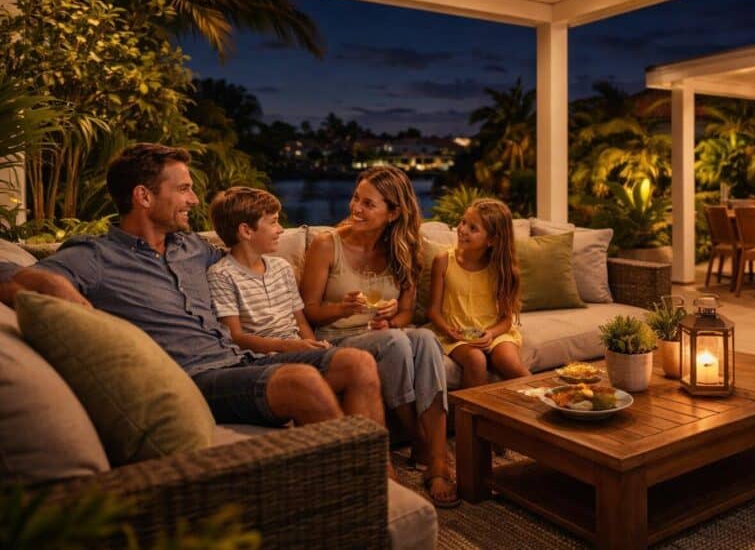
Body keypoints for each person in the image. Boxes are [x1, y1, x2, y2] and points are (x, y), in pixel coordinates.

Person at [13, 143, 384, 432]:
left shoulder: (193, 247)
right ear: (143, 196)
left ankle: (385, 491)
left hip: (239, 362)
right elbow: (12, 274)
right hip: (191, 378)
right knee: (301, 381)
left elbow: (246, 258)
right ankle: (361, 495)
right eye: (184, 189)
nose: (193, 200)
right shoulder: (95, 257)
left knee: (357, 361)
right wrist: (61, 292)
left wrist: (352, 234)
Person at [300, 165, 458, 507]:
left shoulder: (404, 249)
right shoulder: (327, 245)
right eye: (357, 198)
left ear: (393, 212)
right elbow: (309, 310)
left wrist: (392, 317)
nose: (356, 207)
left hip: (385, 337)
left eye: (369, 204)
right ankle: (426, 445)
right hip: (338, 342)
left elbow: (404, 313)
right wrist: (343, 309)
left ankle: (436, 458)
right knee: (397, 341)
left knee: (426, 340)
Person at [206, 187, 330, 355]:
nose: (281, 229)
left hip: (299, 350)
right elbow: (235, 337)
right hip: (267, 358)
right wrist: (287, 347)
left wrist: (317, 350)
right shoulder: (221, 275)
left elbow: (300, 323)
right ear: (246, 231)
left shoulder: (282, 267)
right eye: (273, 222)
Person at [426, 198, 530, 388]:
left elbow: (507, 319)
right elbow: (433, 311)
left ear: (492, 240)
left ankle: (544, 399)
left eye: (473, 228)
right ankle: (476, 416)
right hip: (455, 334)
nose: (462, 229)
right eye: (463, 222)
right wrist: (451, 331)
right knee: (476, 360)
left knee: (508, 361)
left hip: (493, 331)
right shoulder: (443, 261)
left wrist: (490, 334)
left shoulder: (500, 269)